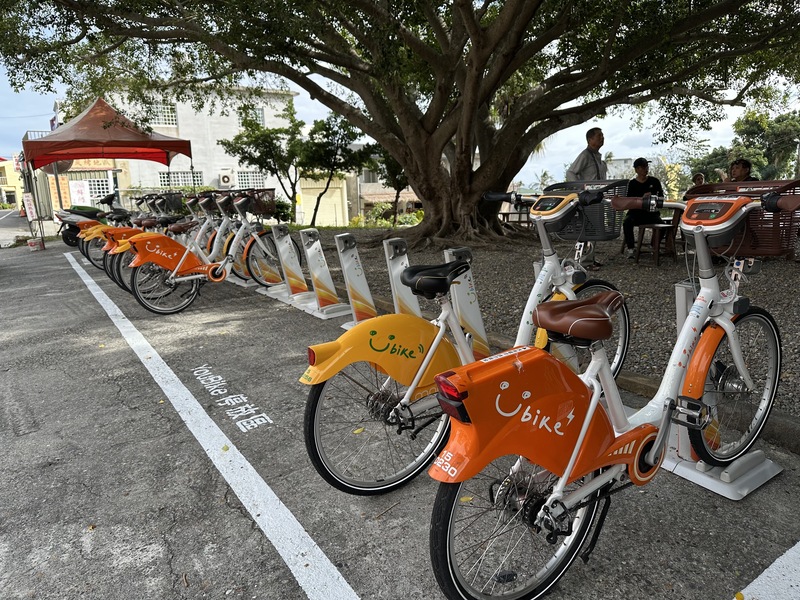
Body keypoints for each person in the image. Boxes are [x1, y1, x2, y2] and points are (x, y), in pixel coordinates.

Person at [623, 158, 665, 258]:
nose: (645, 169)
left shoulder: (654, 181)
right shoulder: (632, 183)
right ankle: (631, 248)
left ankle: (653, 245)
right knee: (627, 222)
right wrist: (641, 198)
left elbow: (661, 197)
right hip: (635, 213)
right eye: (642, 167)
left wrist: (654, 197)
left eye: (647, 166)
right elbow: (629, 200)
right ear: (636, 170)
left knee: (663, 227)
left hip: (651, 213)